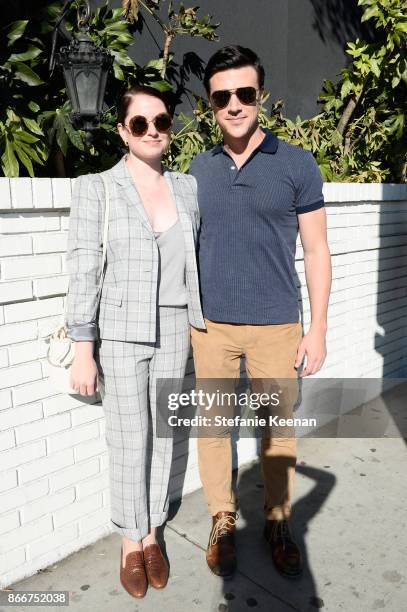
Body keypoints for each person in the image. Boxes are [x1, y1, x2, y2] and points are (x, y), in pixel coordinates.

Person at [189, 45, 332, 578]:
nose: (233, 104)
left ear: (261, 96)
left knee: (277, 431)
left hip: (277, 324)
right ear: (210, 103)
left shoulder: (296, 163)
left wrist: (317, 329)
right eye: (221, 96)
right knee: (213, 427)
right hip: (212, 328)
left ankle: (277, 520)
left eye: (244, 93)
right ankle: (222, 518)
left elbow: (316, 250)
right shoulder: (197, 169)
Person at [64, 85, 205, 598]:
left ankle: (152, 532)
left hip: (175, 329)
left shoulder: (188, 188)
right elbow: (84, 271)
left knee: (166, 436)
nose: (152, 131)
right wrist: (84, 346)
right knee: (129, 438)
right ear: (123, 130)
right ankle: (130, 540)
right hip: (121, 334)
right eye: (140, 123)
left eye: (161, 121)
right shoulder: (96, 188)